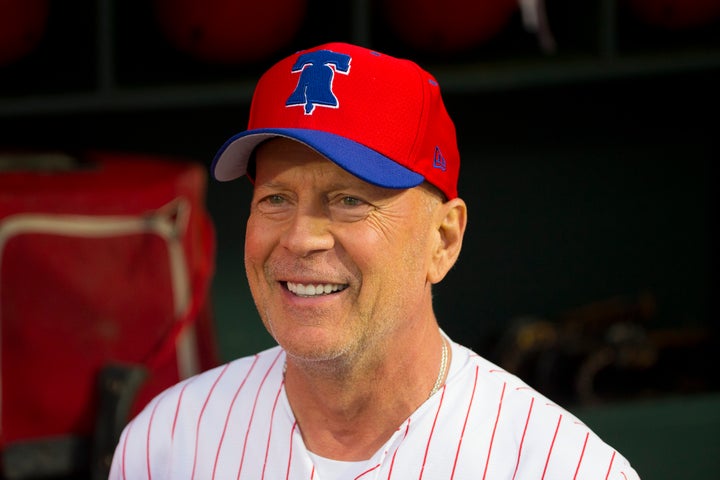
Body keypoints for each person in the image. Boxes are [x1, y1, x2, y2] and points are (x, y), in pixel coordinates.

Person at [109, 42, 640, 479]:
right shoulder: (168, 442)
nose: (300, 238)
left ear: (443, 239)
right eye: (275, 198)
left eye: (349, 200)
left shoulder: (561, 467)